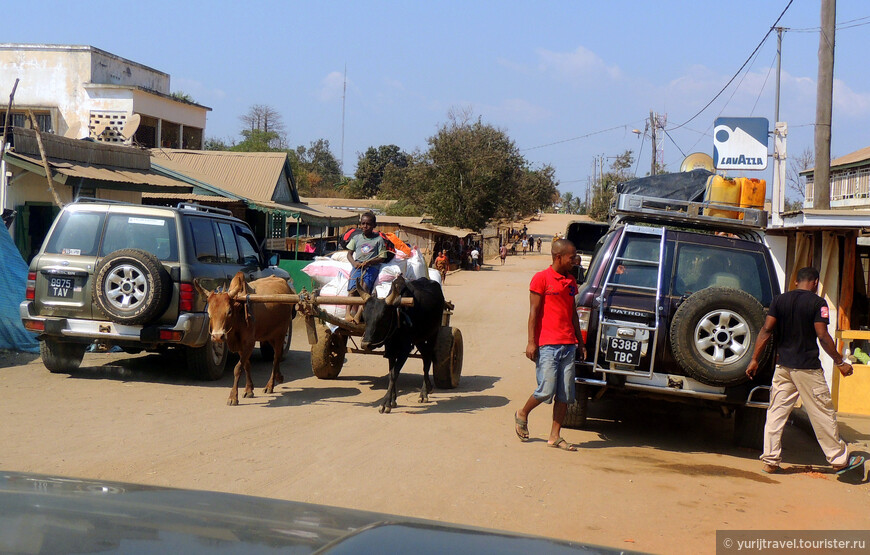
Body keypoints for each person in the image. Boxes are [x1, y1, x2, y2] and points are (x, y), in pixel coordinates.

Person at [746, 267, 865, 475]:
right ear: (816, 282)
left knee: (776, 413)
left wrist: (754, 359)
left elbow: (766, 330)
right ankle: (839, 460)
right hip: (807, 368)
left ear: (795, 282)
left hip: (783, 367)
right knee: (822, 413)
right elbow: (822, 335)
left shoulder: (779, 301)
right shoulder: (818, 303)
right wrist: (839, 362)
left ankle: (770, 460)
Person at [514, 239, 586, 451]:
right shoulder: (541, 279)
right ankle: (522, 413)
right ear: (558, 257)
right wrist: (531, 342)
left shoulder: (571, 281)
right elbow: (533, 313)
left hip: (568, 345)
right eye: (571, 257)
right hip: (547, 345)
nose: (575, 261)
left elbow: (572, 312)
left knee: (565, 394)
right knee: (546, 390)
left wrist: (580, 343)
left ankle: (555, 436)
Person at [345, 212, 387, 319]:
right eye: (363, 223)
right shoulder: (357, 238)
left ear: (374, 225)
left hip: (371, 267)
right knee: (352, 289)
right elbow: (349, 254)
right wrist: (354, 263)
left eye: (368, 224)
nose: (365, 226)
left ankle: (359, 314)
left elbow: (382, 257)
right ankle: (347, 313)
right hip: (357, 266)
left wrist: (370, 262)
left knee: (364, 288)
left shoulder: (379, 240)